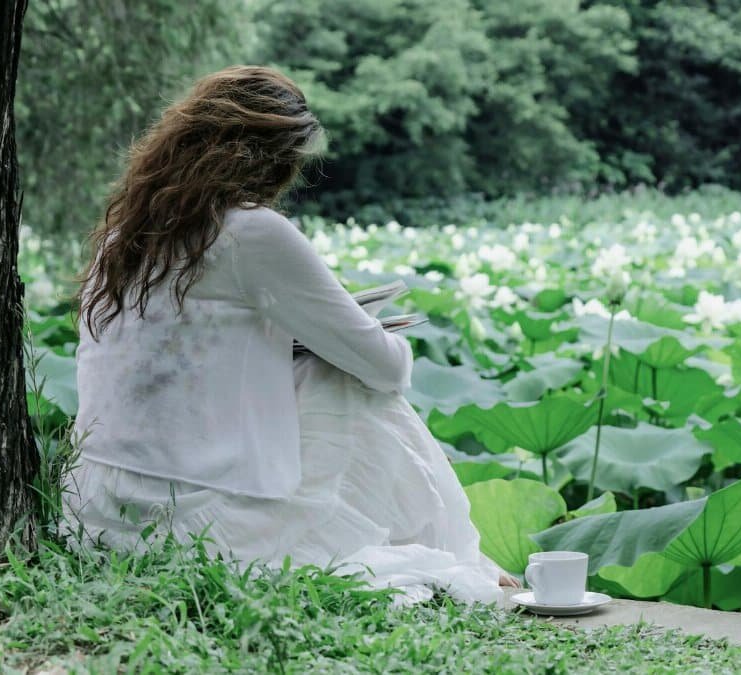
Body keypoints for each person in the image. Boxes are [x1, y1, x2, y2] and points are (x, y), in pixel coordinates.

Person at [60, 65, 518, 605]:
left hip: (96, 513)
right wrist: (362, 332)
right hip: (200, 521)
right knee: (354, 381)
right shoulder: (251, 232)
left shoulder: (121, 236)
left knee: (312, 365)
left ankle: (466, 556)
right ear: (280, 159)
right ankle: (465, 557)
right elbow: (386, 367)